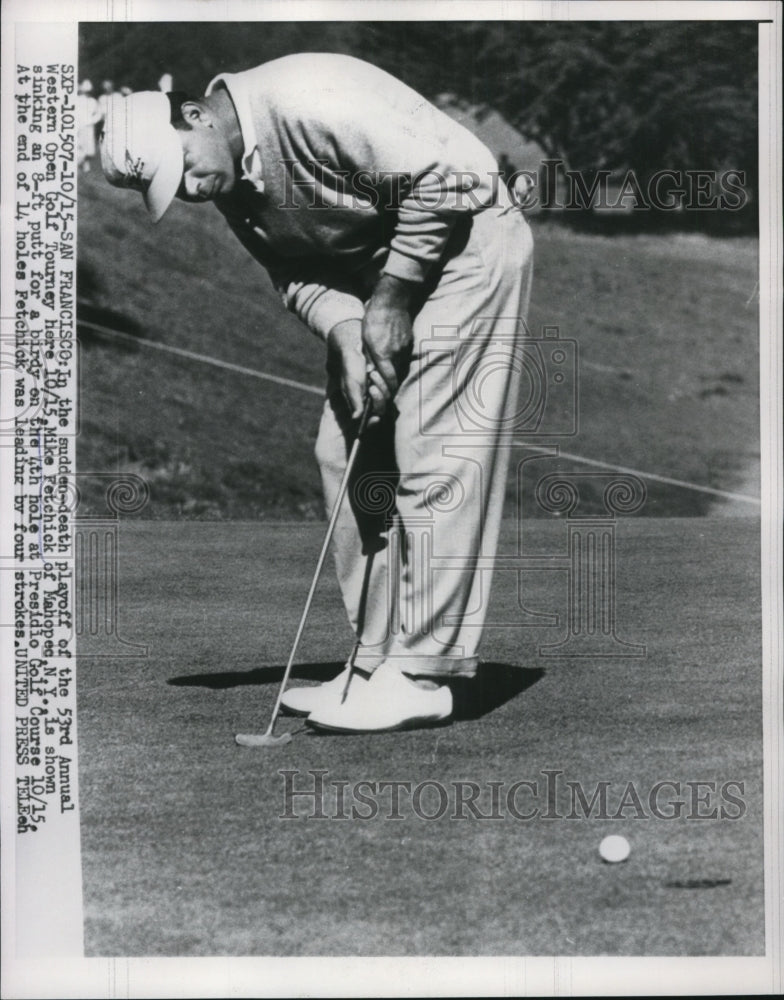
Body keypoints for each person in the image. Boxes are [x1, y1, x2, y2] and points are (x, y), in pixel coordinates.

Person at [100, 53, 534, 734]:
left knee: (434, 450)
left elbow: (442, 178)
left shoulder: (308, 96)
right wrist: (346, 330)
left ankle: (424, 675)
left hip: (468, 244)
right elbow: (294, 273)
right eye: (168, 187)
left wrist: (391, 299)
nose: (187, 188)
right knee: (343, 450)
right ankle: (373, 663)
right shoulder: (227, 180)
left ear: (193, 115)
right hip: (383, 283)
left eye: (179, 165)